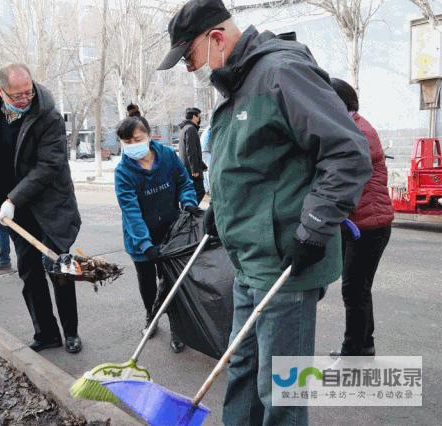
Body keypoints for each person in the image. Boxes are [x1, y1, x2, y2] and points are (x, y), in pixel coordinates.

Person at [157, 1, 372, 424]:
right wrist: (220, 208)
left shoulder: (280, 73)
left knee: (281, 386)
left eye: (189, 56)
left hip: (284, 261)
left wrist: (312, 227)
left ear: (216, 38)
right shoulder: (236, 83)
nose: (189, 68)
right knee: (241, 368)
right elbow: (249, 162)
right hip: (249, 261)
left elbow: (348, 153)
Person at [0, 63, 83, 353]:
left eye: (28, 92)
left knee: (58, 267)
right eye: (17, 95)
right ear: (1, 92)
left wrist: (13, 199)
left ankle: (70, 332)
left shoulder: (48, 115)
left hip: (50, 202)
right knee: (29, 271)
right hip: (15, 205)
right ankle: (46, 333)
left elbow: (49, 165)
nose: (25, 99)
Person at [114, 116, 201, 353]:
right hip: (140, 239)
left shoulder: (167, 156)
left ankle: (177, 327)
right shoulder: (123, 171)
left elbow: (184, 182)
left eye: (138, 139)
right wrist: (145, 244)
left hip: (170, 234)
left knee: (172, 281)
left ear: (149, 136)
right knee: (148, 283)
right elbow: (131, 211)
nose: (133, 145)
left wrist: (189, 202)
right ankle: (150, 317)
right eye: (127, 141)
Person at [329, 78, 394, 358]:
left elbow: (344, 172)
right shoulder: (351, 126)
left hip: (371, 225)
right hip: (360, 222)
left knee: (353, 288)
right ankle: (363, 344)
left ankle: (353, 348)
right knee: (358, 288)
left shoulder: (358, 132)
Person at [178, 107, 206, 203]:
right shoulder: (191, 129)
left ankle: (188, 212)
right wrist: (195, 169)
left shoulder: (184, 129)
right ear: (194, 117)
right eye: (199, 116)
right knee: (200, 191)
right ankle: (188, 213)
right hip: (192, 170)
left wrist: (201, 165)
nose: (199, 119)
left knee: (191, 193)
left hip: (187, 168)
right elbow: (191, 150)